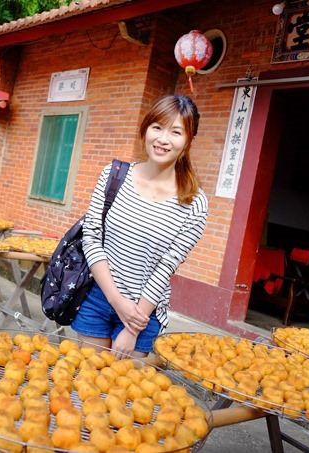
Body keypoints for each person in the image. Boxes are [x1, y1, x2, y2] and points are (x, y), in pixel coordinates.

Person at [71, 94, 209, 358]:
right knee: (85, 384)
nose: (163, 139)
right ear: (145, 129)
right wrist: (115, 300)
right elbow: (92, 237)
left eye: (176, 132)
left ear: (188, 141)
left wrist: (133, 327)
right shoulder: (113, 175)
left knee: (123, 393)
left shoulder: (194, 202)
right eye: (157, 127)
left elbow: (167, 265)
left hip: (143, 311)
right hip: (99, 297)